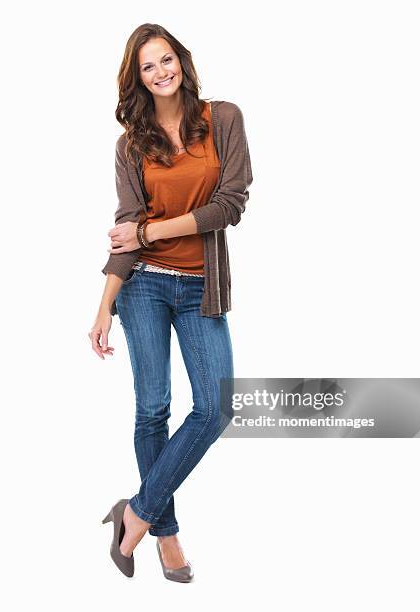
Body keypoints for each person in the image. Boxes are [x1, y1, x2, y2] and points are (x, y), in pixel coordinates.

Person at [89, 23, 253, 581]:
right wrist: (103, 305)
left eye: (166, 60)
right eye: (147, 67)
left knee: (215, 408)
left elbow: (230, 204)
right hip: (143, 289)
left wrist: (152, 234)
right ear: (137, 79)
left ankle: (133, 513)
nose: (160, 72)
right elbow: (125, 229)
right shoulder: (131, 144)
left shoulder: (222, 119)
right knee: (153, 407)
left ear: (181, 60)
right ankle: (167, 535)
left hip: (199, 285)